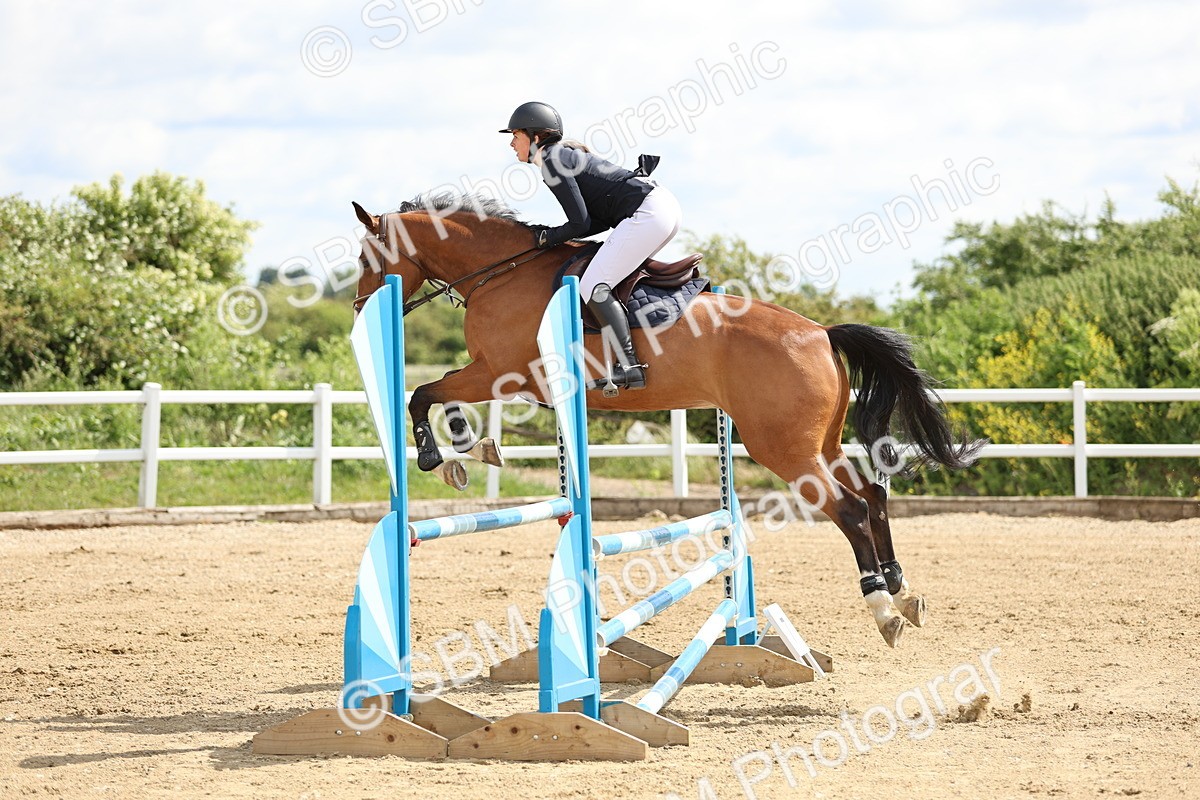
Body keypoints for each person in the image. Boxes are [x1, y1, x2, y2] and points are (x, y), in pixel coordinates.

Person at [500, 101, 682, 391]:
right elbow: (591, 222)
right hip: (660, 209)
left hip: (649, 212)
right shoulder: (561, 156)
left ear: (535, 137)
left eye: (515, 135)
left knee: (594, 285)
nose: (511, 143)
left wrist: (547, 237)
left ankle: (630, 367)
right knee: (608, 278)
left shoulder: (551, 160)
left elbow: (580, 223)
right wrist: (557, 235)